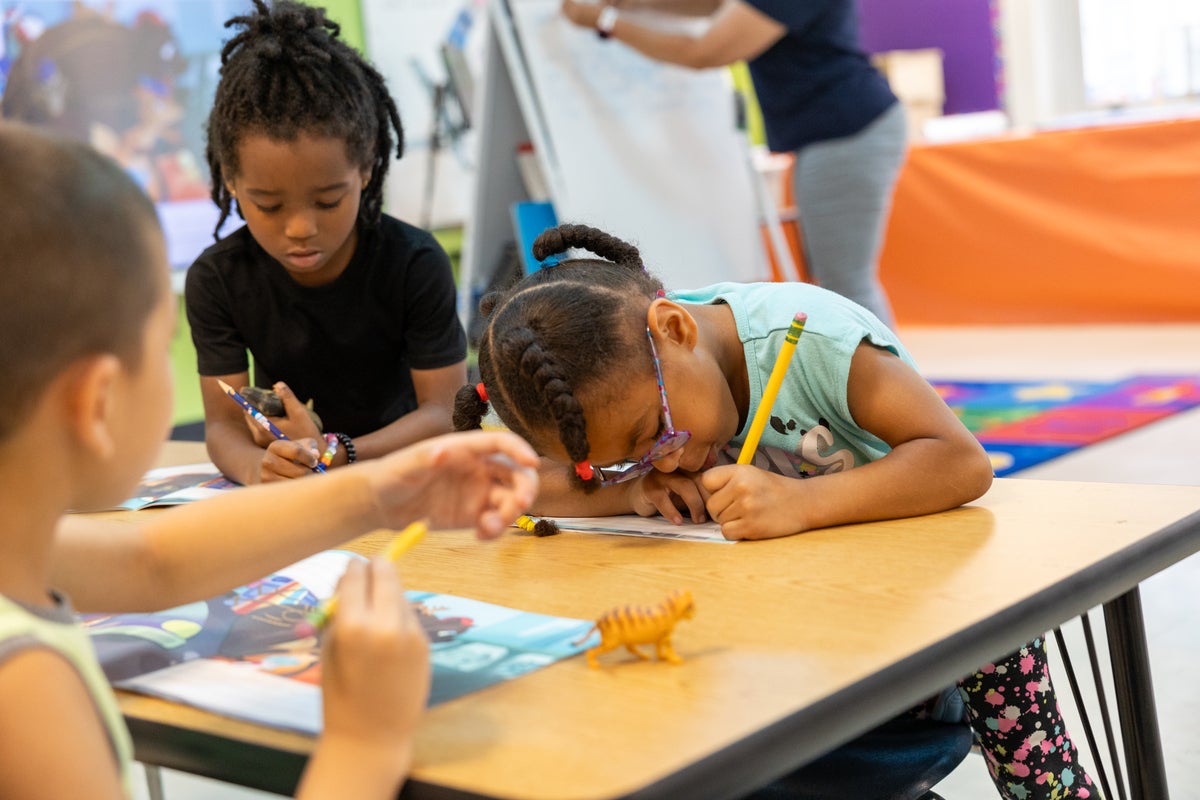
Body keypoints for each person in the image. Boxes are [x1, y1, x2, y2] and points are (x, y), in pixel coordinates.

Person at [453, 223, 1100, 800]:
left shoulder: (813, 338)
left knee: (1037, 777)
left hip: (940, 615)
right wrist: (627, 489)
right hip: (798, 629)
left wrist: (803, 502)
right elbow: (524, 483)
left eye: (656, 432)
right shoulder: (628, 385)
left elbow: (962, 463)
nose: (665, 461)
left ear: (675, 330)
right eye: (622, 458)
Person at [0, 123, 540, 800]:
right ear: (97, 402)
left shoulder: (15, 550)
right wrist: (364, 740)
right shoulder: (24, 693)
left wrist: (378, 491)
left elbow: (151, 561)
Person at [186, 0, 467, 484]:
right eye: (269, 206)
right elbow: (222, 428)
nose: (300, 228)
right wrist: (262, 470)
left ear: (365, 168)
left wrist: (338, 454)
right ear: (230, 180)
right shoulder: (218, 280)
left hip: (402, 478)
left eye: (329, 200)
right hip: (297, 489)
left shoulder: (415, 264)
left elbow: (445, 414)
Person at [560, 0, 905, 326]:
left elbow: (705, 51)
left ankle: (893, 385)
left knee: (847, 284)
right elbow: (717, 6)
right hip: (839, 133)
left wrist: (606, 21)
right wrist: (634, 4)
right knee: (843, 281)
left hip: (848, 132)